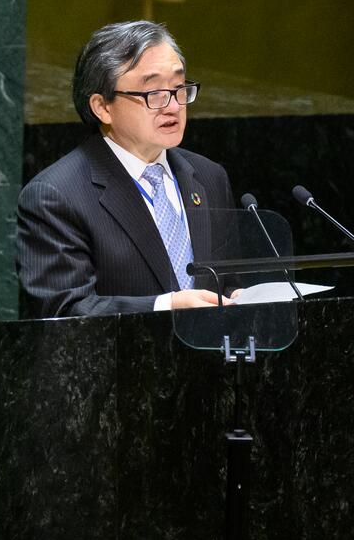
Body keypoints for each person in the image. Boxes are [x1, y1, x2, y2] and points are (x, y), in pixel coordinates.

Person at [15, 21, 238, 318]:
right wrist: (165, 306)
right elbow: (64, 310)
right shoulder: (55, 196)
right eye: (153, 93)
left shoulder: (209, 177)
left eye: (179, 88)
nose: (173, 106)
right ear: (103, 107)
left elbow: (229, 281)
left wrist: (243, 297)